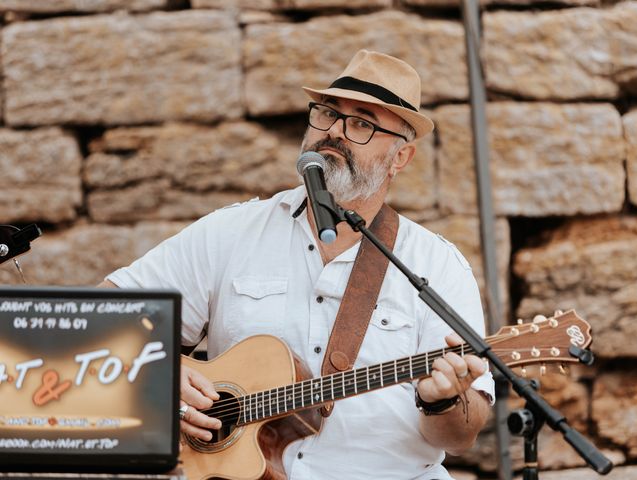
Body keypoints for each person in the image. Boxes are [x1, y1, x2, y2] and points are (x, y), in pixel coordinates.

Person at [100, 49, 494, 479]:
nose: (335, 132)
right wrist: (163, 371)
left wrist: (444, 401)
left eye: (362, 123)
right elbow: (106, 314)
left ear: (401, 158)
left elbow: (460, 437)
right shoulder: (230, 232)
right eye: (327, 113)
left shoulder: (436, 264)